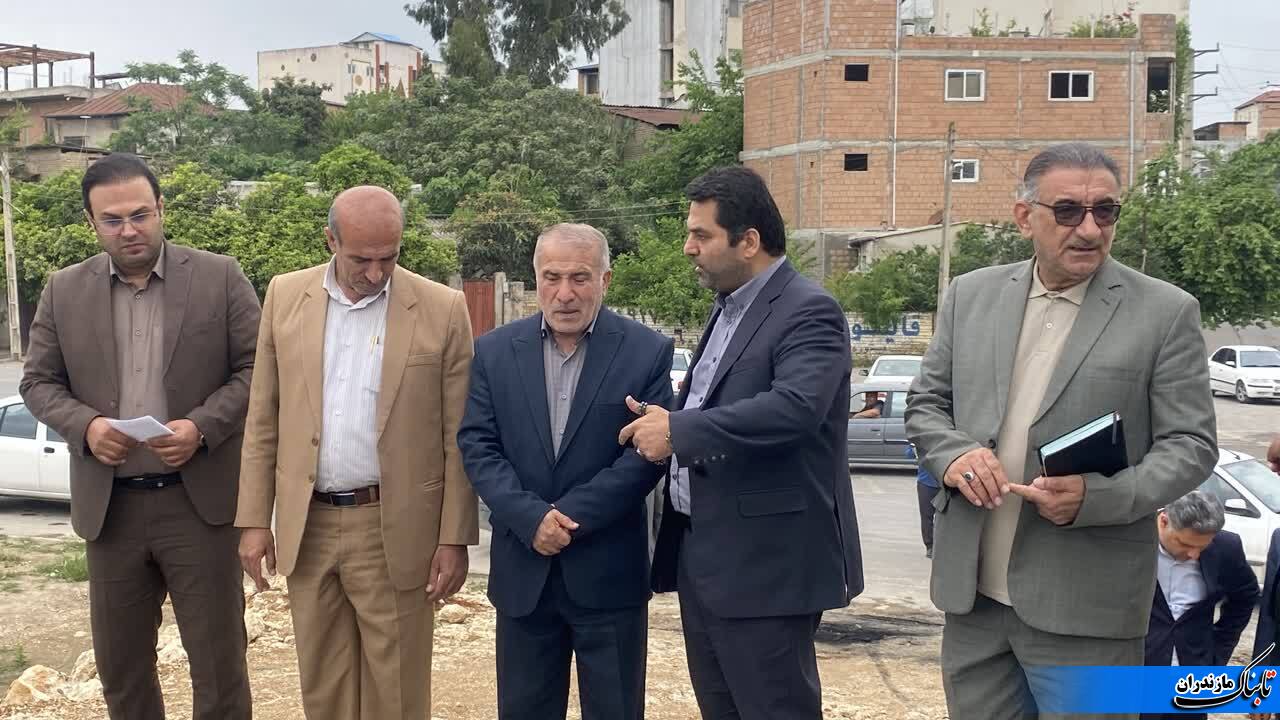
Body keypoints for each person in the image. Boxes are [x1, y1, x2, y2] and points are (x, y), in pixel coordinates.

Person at [904, 142, 1218, 720]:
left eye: (1106, 211)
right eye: (1069, 210)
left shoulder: (1166, 312)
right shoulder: (970, 295)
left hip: (1088, 606)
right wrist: (952, 456)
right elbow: (927, 403)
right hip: (974, 600)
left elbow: (1192, 445)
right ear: (1025, 217)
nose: (1090, 229)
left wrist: (1097, 497)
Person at [20, 153, 260, 720]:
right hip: (112, 511)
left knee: (220, 670)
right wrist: (87, 427)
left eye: (140, 215)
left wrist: (202, 426)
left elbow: (259, 370)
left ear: (161, 209)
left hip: (199, 506)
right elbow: (37, 382)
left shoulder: (220, 277)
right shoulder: (63, 290)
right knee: (122, 673)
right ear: (91, 223)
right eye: (112, 220)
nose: (128, 230)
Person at [625, 165, 863, 719]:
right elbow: (719, 405)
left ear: (749, 241)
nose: (688, 248)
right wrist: (669, 417)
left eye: (701, 235)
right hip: (707, 558)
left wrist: (678, 431)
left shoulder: (808, 309)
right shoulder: (730, 307)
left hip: (767, 566)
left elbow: (795, 409)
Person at [235, 186, 477, 720]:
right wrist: (253, 519)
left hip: (393, 526)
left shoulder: (442, 308)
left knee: (397, 693)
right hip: (308, 525)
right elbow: (263, 417)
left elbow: (458, 435)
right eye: (361, 259)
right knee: (324, 687)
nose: (376, 272)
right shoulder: (285, 295)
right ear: (330, 240)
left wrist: (453, 537)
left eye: (388, 257)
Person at [457, 223, 674, 720]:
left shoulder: (646, 351)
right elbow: (478, 446)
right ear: (536, 279)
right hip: (524, 574)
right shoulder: (494, 351)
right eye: (551, 278)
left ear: (605, 280)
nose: (565, 293)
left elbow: (646, 456)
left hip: (609, 574)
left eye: (580, 277)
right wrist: (530, 518)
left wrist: (567, 519)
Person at [1142, 490, 1256, 720]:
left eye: (1202, 547)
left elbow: (1245, 597)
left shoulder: (1226, 547)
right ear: (1163, 521)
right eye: (1185, 543)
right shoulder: (1132, 544)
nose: (1194, 554)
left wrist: (1218, 652)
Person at [906, 444, 940, 558]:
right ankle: (930, 546)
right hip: (926, 483)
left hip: (944, 484)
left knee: (945, 518)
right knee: (927, 517)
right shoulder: (921, 438)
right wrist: (915, 447)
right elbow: (909, 454)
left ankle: (943, 545)